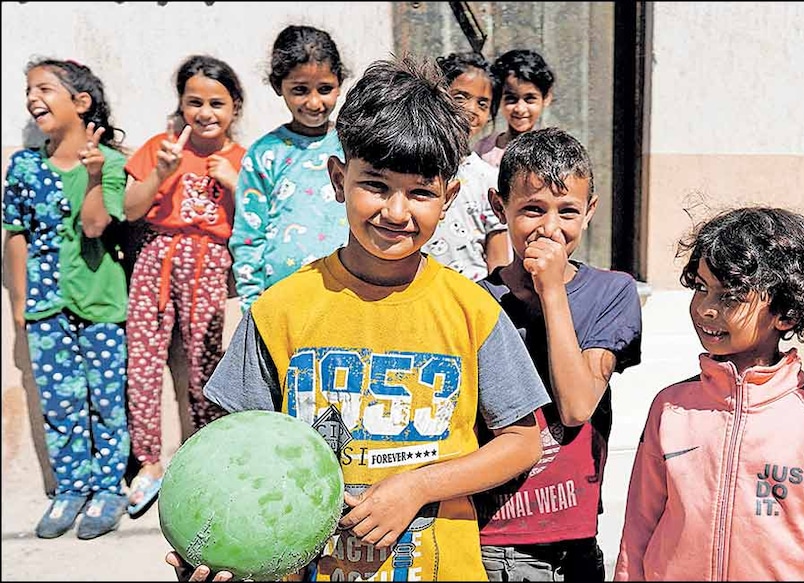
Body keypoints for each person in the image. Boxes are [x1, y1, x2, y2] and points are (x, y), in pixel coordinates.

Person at [170, 56, 550, 582]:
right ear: (338, 178)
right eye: (375, 184)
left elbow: (522, 441)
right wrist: (211, 545)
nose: (396, 212)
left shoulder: (472, 309)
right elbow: (237, 449)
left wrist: (417, 486)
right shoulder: (281, 310)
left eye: (420, 192)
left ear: (449, 198)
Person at [614, 206, 804, 581]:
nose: (706, 308)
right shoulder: (671, 408)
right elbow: (638, 527)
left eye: (730, 295)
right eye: (701, 288)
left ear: (785, 313)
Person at [473, 127, 642, 581]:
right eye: (532, 209)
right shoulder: (474, 303)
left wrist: (551, 292)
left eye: (567, 211)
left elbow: (577, 406)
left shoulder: (613, 292)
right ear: (498, 207)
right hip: (493, 544)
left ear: (589, 212)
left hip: (575, 544)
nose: (550, 228)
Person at [3, 58, 131, 539]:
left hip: (98, 304)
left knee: (105, 399)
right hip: (44, 305)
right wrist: (19, 299)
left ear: (81, 103)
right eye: (28, 90)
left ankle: (109, 488)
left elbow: (96, 225)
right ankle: (70, 489)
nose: (33, 97)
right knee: (59, 403)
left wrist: (95, 175)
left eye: (45, 88)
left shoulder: (111, 163)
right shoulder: (24, 166)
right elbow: (14, 232)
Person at [121, 54, 247, 517]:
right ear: (181, 105)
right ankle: (149, 463)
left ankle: (203, 459)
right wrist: (161, 172)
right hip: (157, 256)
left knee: (204, 365)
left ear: (235, 107)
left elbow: (253, 223)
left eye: (217, 102)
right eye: (195, 101)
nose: (205, 112)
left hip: (209, 263)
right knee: (145, 360)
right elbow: (130, 210)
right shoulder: (161, 147)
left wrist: (234, 184)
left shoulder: (241, 159)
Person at [230, 25, 350, 312]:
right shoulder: (265, 154)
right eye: (299, 90)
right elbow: (248, 236)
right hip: (282, 301)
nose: (314, 102)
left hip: (348, 293)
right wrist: (252, 306)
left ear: (340, 82)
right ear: (277, 86)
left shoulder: (352, 146)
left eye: (325, 89)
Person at [423, 51, 509, 281]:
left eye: (483, 104)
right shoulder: (415, 168)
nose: (471, 110)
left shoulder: (489, 178)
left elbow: (498, 257)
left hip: (473, 294)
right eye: (460, 97)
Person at [473, 49, 554, 167]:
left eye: (529, 99)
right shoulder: (484, 150)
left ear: (546, 98)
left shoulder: (553, 151)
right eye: (511, 99)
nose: (520, 109)